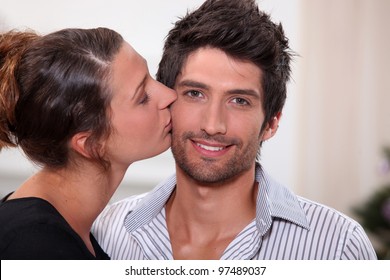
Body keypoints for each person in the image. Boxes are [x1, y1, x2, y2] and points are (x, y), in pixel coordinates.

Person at [92, 0, 377, 260]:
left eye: (239, 101)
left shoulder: (338, 247)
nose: (212, 125)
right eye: (195, 93)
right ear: (167, 100)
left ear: (271, 123)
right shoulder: (106, 232)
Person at [0, 27, 176, 259]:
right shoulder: (37, 247)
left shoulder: (62, 231)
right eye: (142, 97)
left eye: (151, 77)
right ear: (91, 143)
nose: (169, 95)